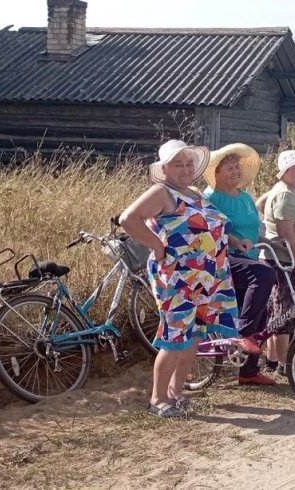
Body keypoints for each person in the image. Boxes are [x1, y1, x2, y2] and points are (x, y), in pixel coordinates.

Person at [119, 139, 240, 418]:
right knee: (175, 337)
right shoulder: (161, 192)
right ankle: (158, 400)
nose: (185, 169)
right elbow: (129, 219)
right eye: (178, 164)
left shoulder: (194, 192)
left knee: (193, 336)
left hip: (207, 276)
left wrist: (233, 239)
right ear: (164, 168)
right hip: (178, 278)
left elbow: (210, 225)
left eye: (188, 163)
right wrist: (158, 246)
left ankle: (176, 394)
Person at [202, 143, 276, 386]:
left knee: (261, 313)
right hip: (223, 259)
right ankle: (243, 333)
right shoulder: (211, 198)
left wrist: (274, 242)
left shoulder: (245, 197)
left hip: (248, 257)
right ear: (216, 173)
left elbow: (253, 230)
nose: (235, 172)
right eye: (229, 168)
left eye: (237, 167)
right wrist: (236, 241)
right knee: (265, 276)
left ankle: (248, 372)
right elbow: (211, 231)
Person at [260, 150, 295, 375]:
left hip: (281, 258)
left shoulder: (286, 191)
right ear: (284, 171)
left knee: (279, 310)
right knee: (286, 311)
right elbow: (286, 232)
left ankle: (274, 361)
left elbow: (260, 205)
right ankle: (285, 364)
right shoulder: (284, 194)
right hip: (284, 260)